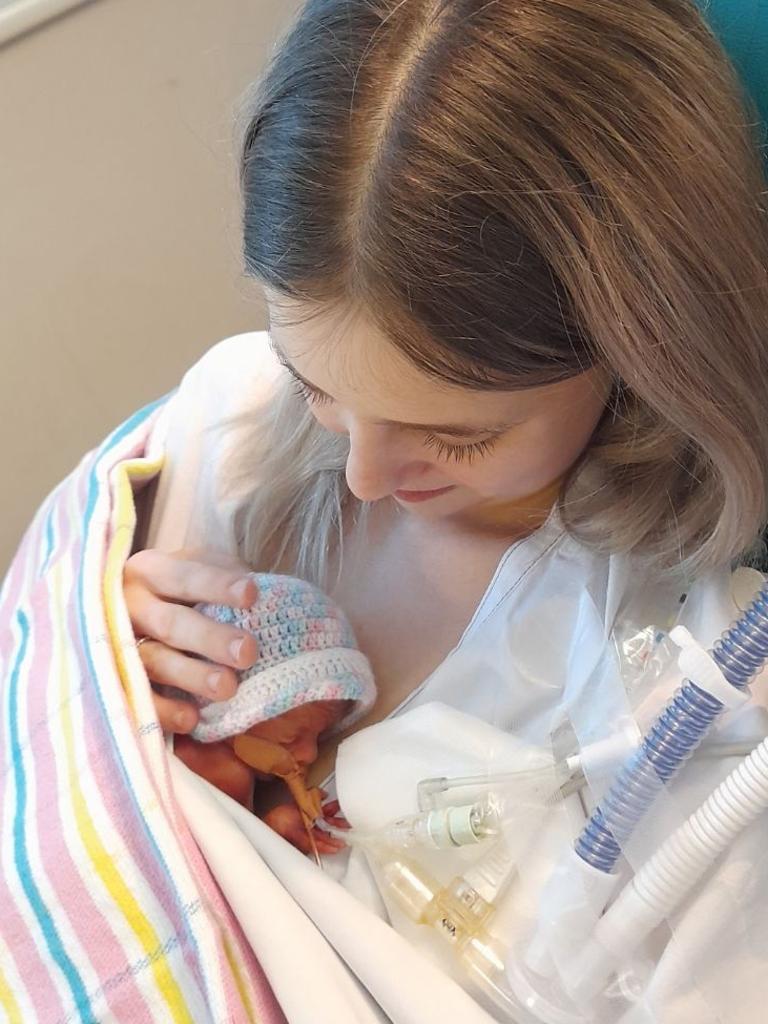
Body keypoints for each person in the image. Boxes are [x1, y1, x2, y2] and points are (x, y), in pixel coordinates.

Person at [120, 0, 768, 1018]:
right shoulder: (229, 427)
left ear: (646, 349)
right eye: (319, 381)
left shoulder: (688, 716)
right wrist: (114, 665)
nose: (368, 475)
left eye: (458, 434)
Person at [171, 572, 376, 856]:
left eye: (318, 736)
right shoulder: (224, 770)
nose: (310, 754)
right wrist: (272, 839)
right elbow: (230, 868)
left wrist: (275, 828)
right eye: (294, 735)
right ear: (229, 718)